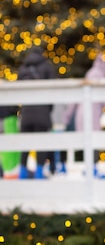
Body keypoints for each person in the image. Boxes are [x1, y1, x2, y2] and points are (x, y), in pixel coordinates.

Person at [64, 54, 105, 179]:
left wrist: (67, 116)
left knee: (87, 142)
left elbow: (74, 101)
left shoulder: (88, 75)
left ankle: (89, 168)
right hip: (91, 115)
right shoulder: (98, 78)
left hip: (81, 114)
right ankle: (91, 169)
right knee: (93, 142)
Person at [17, 46, 57, 179]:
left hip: (26, 112)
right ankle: (39, 172)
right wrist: (48, 109)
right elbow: (53, 90)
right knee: (41, 143)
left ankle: (22, 172)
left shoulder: (23, 69)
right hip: (42, 111)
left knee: (24, 144)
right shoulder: (46, 67)